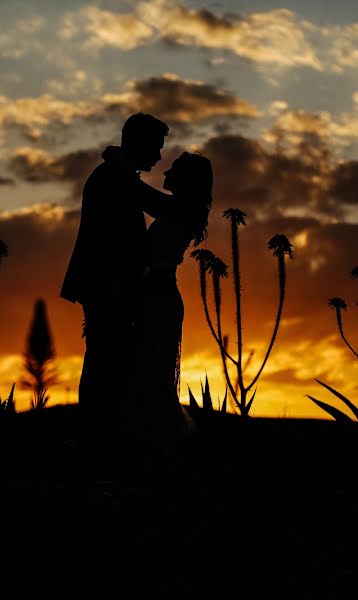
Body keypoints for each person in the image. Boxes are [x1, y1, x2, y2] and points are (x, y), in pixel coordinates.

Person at [60, 113, 171, 475]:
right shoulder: (112, 178)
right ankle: (95, 436)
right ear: (136, 142)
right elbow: (147, 212)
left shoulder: (115, 174)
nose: (158, 157)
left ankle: (101, 434)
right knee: (104, 358)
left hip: (112, 285)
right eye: (154, 147)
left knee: (108, 358)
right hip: (107, 285)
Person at [134, 151, 213, 469]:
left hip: (159, 297)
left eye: (174, 170)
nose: (166, 172)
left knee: (154, 375)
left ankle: (164, 452)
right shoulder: (181, 210)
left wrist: (122, 170)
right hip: (160, 294)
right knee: (152, 373)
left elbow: (140, 194)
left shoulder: (178, 209)